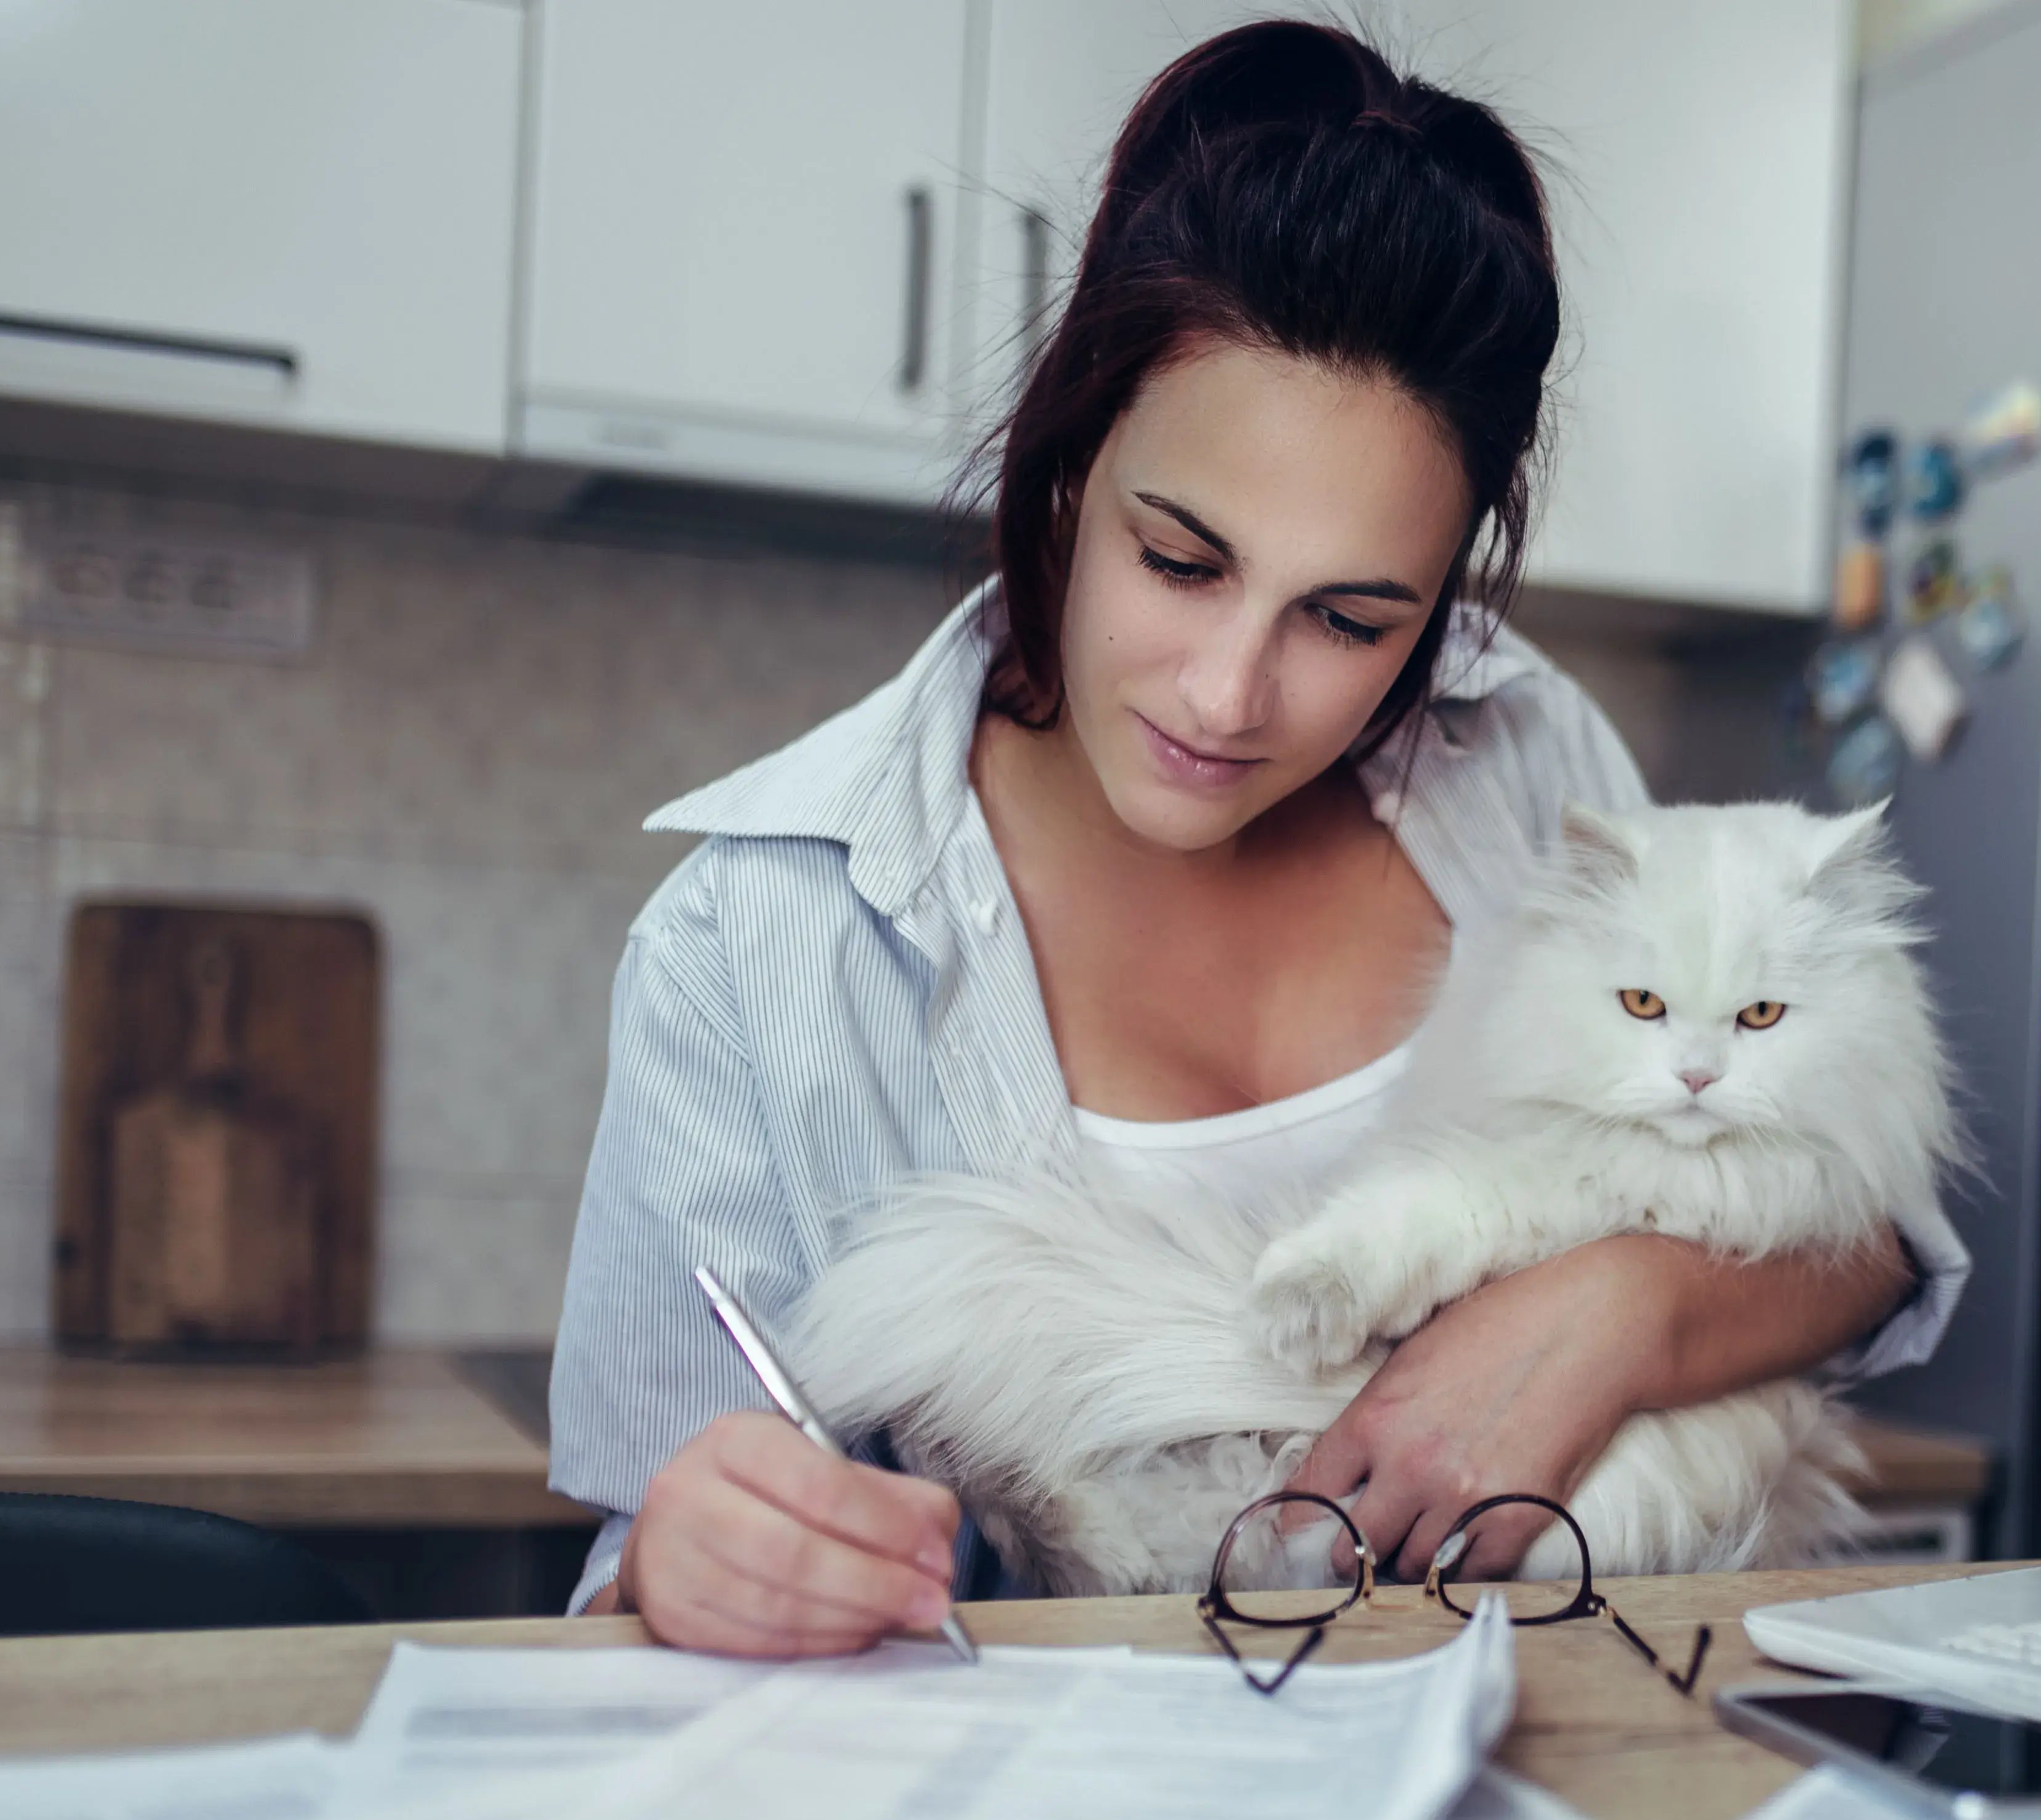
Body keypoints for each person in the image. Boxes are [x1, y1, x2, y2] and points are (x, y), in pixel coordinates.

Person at [548, 18, 1967, 1657]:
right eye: (1181, 559)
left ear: (1446, 601)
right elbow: (623, 1595)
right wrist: (691, 1560)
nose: (1231, 696)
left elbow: (1863, 1241)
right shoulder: (749, 947)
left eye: (1352, 617)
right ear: (1076, 458)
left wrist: (1622, 1310)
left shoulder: (1523, 758)